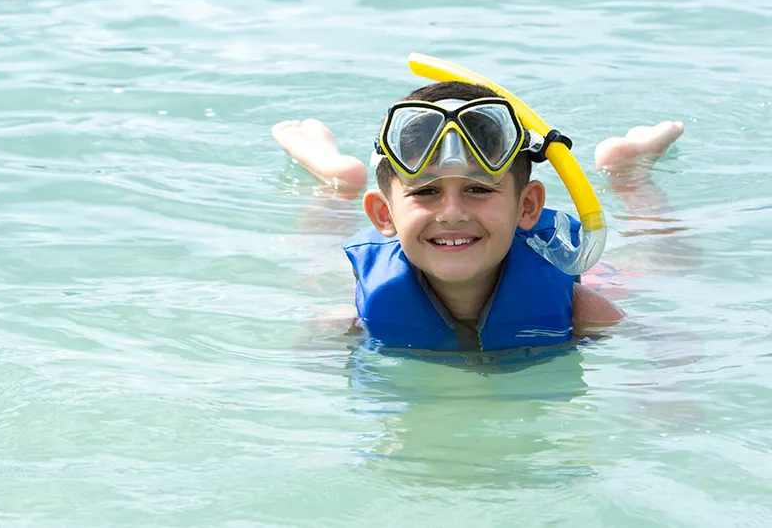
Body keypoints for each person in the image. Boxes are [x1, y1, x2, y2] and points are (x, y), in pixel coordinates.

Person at [273, 63, 685, 354]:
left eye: (477, 189)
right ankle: (335, 181)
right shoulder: (356, 312)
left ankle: (630, 176)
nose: (452, 212)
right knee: (315, 267)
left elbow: (668, 342)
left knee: (664, 263)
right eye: (426, 192)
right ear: (384, 215)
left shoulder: (579, 307)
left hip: (592, 274)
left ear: (527, 206)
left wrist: (663, 388)